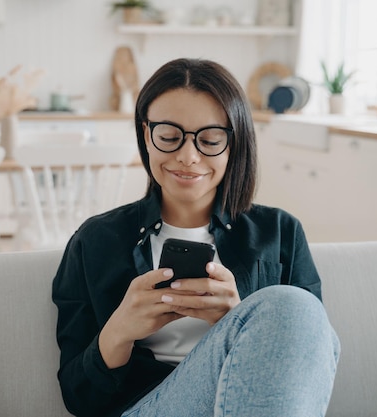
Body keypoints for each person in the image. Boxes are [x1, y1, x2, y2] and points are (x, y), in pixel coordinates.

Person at [52, 58, 340, 417]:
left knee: (295, 308)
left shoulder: (281, 233)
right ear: (146, 136)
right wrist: (119, 331)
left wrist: (237, 321)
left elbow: (309, 362)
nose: (188, 157)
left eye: (210, 140)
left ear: (234, 143)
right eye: (169, 137)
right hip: (145, 407)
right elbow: (79, 401)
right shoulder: (95, 241)